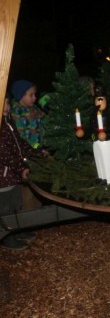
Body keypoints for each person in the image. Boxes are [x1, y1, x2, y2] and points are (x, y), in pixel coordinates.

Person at [0, 95, 47, 250]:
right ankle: (7, 238)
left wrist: (37, 152)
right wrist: (21, 168)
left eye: (7, 102)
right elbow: (5, 154)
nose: (7, 106)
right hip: (3, 177)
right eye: (3, 103)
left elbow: (19, 144)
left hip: (12, 176)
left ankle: (16, 231)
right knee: (5, 209)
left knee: (15, 205)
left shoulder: (8, 122)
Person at [10, 79, 46, 149]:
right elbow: (21, 135)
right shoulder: (16, 113)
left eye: (34, 94)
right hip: (30, 151)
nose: (35, 98)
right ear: (21, 96)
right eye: (31, 95)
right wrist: (35, 146)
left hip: (42, 147)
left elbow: (47, 120)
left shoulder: (35, 109)